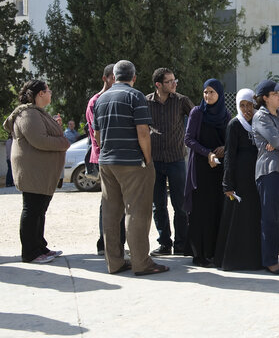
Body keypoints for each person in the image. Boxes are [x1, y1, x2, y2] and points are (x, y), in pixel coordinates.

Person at [93, 60, 168, 275]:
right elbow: (143, 132)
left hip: (106, 162)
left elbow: (97, 135)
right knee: (137, 212)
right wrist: (148, 160)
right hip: (133, 162)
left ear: (113, 77)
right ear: (133, 78)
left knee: (110, 213)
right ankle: (141, 263)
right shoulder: (135, 96)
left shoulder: (101, 99)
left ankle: (114, 263)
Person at [3, 80, 70, 263]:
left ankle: (40, 246)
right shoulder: (28, 114)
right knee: (32, 210)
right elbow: (39, 140)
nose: (50, 93)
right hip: (33, 172)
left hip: (42, 173)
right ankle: (30, 253)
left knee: (39, 210)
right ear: (40, 94)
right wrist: (64, 143)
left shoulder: (37, 113)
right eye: (48, 90)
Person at [146, 68, 194, 256]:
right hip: (154, 160)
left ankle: (182, 243)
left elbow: (197, 117)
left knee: (180, 204)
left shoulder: (181, 100)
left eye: (175, 80)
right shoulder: (145, 101)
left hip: (176, 159)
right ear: (158, 85)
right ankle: (164, 243)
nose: (174, 84)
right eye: (170, 81)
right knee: (158, 205)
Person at [214, 88, 263, 270]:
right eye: (242, 105)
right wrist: (228, 183)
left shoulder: (260, 122)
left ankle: (255, 259)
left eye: (249, 105)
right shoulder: (235, 125)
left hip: (257, 178)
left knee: (253, 217)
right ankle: (234, 260)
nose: (246, 109)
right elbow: (229, 156)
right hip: (240, 179)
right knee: (237, 218)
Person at [184, 79, 229, 267]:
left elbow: (229, 138)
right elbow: (189, 139)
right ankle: (199, 254)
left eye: (211, 92)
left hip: (218, 169)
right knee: (201, 211)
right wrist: (207, 153)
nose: (208, 96)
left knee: (215, 209)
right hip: (201, 167)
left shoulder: (225, 114)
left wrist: (223, 148)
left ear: (219, 94)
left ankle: (213, 252)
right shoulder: (197, 112)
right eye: (205, 92)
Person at [85, 63, 125, 256]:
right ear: (105, 78)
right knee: (109, 202)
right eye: (112, 77)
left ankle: (119, 243)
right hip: (105, 158)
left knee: (122, 201)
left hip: (119, 158)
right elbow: (96, 134)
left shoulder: (120, 97)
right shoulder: (96, 101)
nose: (116, 81)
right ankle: (105, 244)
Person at [253, 79, 279, 275]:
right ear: (265, 98)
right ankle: (270, 260)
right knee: (270, 218)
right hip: (269, 172)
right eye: (275, 94)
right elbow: (276, 140)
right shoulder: (261, 116)